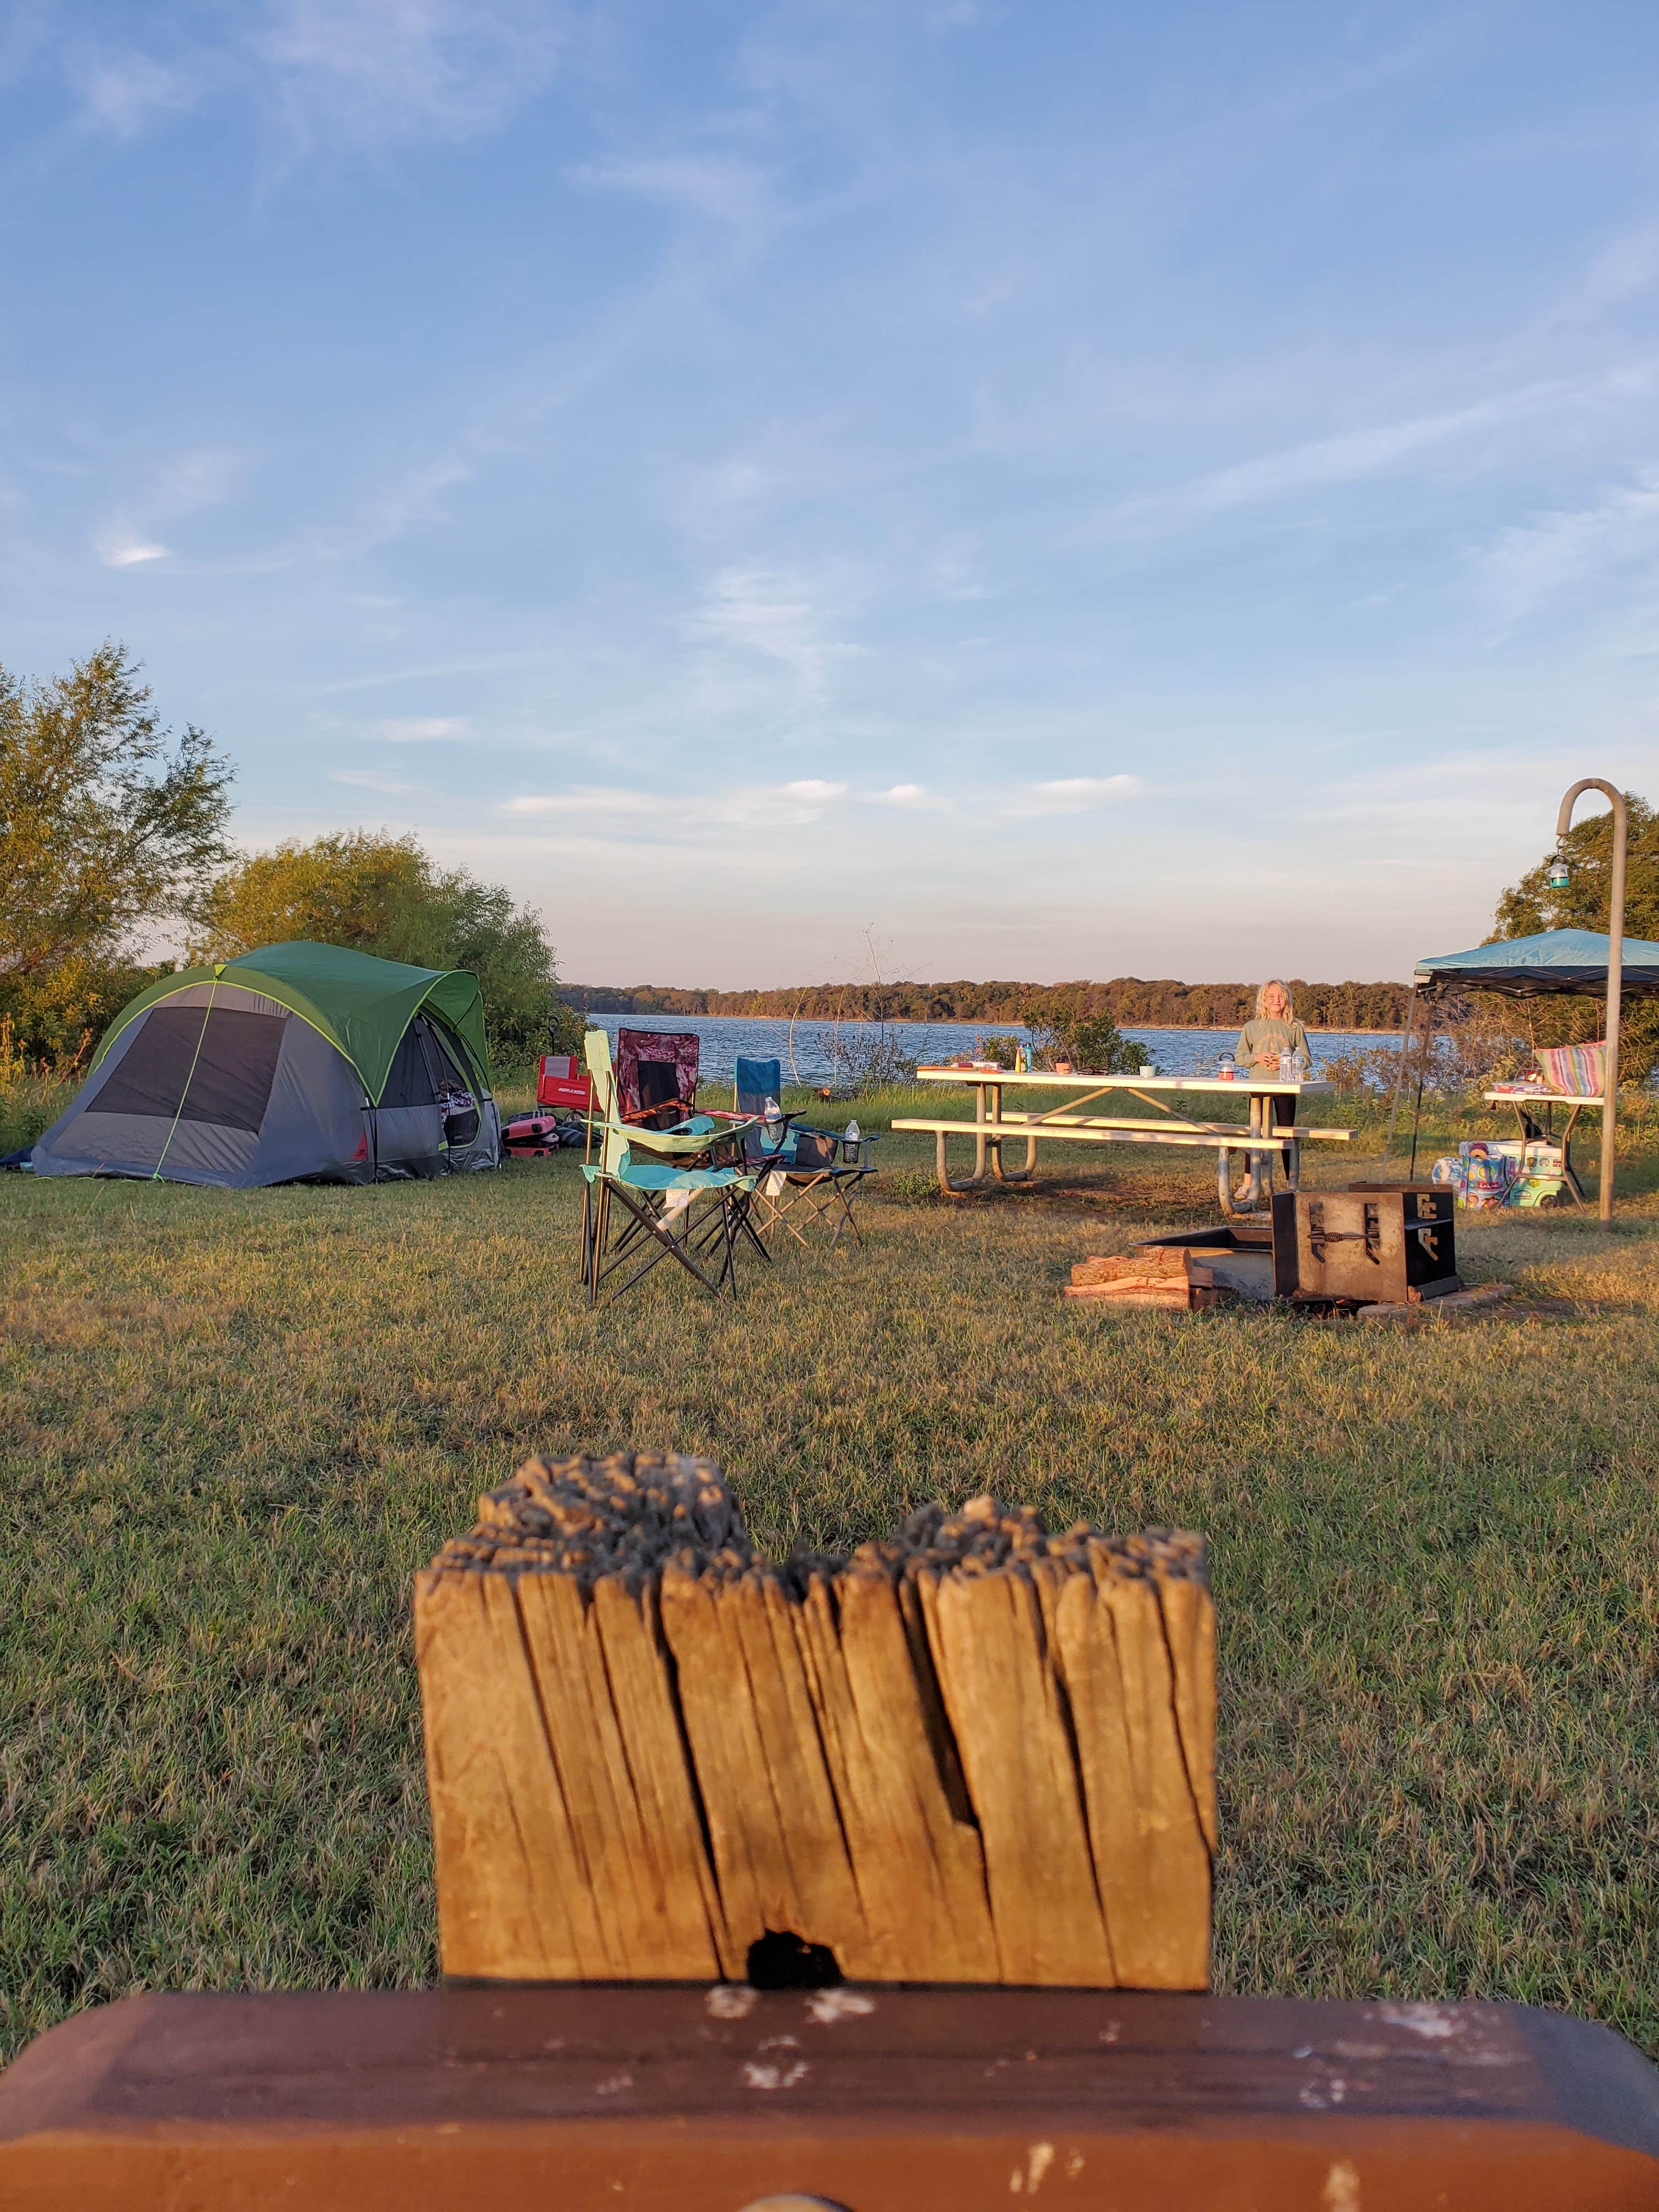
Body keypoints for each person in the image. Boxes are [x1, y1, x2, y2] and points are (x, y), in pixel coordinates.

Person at [1233, 980, 1310, 1200]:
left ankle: (1291, 1185)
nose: (1276, 1001)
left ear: (1287, 999)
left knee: (1286, 1132)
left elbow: (1306, 1059)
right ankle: (1248, 1183)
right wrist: (1258, 1057)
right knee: (1255, 1132)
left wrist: (1287, 1061)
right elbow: (1240, 1057)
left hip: (1286, 1086)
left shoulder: (1295, 1027)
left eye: (1280, 996)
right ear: (1264, 1001)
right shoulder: (1252, 1027)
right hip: (1259, 1084)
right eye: (1271, 997)